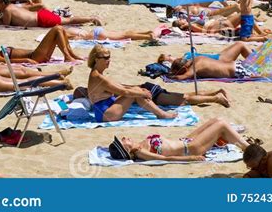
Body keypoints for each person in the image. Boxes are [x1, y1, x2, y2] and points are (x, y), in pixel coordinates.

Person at [87, 45, 176, 123]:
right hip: (105, 114)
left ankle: (160, 113)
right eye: (106, 58)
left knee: (137, 91)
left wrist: (140, 88)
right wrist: (142, 93)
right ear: (96, 59)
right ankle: (161, 114)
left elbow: (120, 86)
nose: (109, 60)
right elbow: (124, 92)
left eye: (109, 57)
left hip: (106, 110)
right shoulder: (98, 77)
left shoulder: (98, 73)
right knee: (136, 93)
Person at [108, 117, 251, 162]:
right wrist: (192, 158)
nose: (125, 137)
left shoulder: (140, 145)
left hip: (187, 140)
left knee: (217, 120)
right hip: (192, 148)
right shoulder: (140, 153)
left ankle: (231, 133)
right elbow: (164, 159)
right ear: (126, 150)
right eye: (123, 141)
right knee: (221, 125)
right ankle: (248, 148)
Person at [0, 27, 85, 63]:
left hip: (37, 54)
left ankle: (71, 55)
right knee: (56, 28)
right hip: (34, 56)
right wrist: (26, 60)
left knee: (60, 30)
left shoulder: (0, 50)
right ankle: (67, 56)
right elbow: (9, 62)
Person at [0, 0, 100, 28]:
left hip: (41, 19)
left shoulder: (7, 10)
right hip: (41, 15)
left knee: (69, 21)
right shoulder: (12, 6)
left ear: (2, 3)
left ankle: (92, 18)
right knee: (68, 20)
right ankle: (91, 18)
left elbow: (5, 25)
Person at [166, 41, 253, 81]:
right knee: (257, 66)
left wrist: (170, 76)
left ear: (185, 68)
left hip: (237, 71)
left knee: (260, 73)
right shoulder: (196, 59)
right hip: (236, 65)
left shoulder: (195, 66)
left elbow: (184, 76)